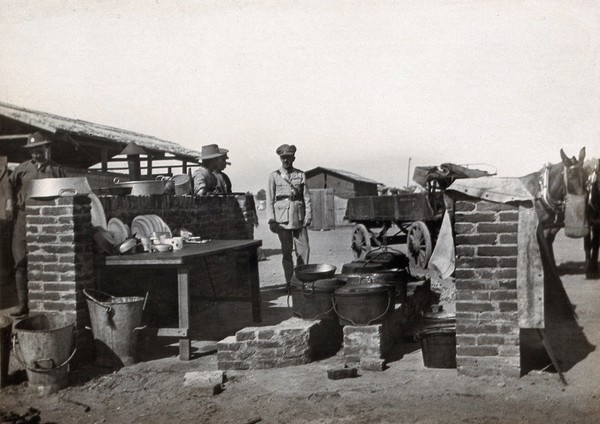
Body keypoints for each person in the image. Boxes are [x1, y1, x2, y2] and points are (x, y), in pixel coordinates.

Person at [9, 132, 65, 316]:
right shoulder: (22, 169)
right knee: (20, 260)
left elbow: (66, 192)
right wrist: (10, 204)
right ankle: (23, 305)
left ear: (45, 149)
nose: (36, 154)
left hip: (49, 217)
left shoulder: (56, 169)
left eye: (39, 150)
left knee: (49, 260)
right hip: (24, 217)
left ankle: (50, 304)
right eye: (32, 151)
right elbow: (9, 186)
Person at [266, 144, 312, 290]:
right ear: (280, 158)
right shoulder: (273, 176)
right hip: (282, 219)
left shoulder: (301, 175)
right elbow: (269, 199)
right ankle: (289, 282)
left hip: (299, 217)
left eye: (288, 157)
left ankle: (301, 280)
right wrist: (271, 219)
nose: (285, 160)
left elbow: (307, 197)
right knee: (287, 252)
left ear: (293, 158)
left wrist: (308, 215)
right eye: (283, 157)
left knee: (304, 250)